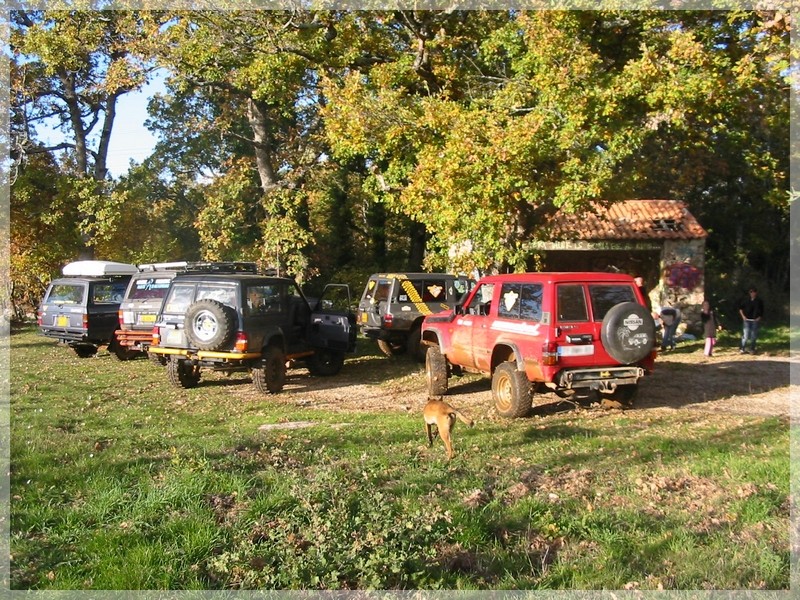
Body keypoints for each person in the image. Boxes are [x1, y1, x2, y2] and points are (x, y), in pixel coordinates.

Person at [738, 286, 764, 354]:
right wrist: (743, 316)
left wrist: (759, 317)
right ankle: (742, 348)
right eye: (751, 292)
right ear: (749, 293)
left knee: (753, 336)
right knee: (745, 335)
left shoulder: (759, 301)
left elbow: (762, 311)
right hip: (746, 320)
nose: (752, 293)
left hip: (755, 320)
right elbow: (740, 309)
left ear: (756, 293)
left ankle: (752, 349)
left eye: (753, 292)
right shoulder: (746, 300)